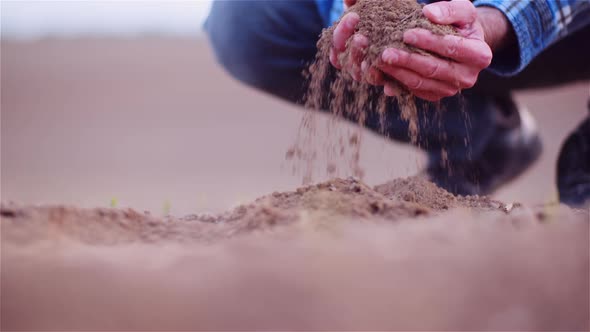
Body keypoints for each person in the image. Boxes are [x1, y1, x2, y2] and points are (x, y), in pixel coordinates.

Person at [206, 0, 590, 207]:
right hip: (450, 19)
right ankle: (482, 136)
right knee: (246, 19)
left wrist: (497, 21)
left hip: (567, 26)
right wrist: (359, 15)